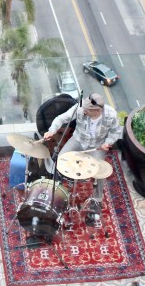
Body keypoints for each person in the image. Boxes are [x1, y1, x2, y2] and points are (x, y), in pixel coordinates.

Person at [42, 93, 122, 225]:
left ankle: (96, 202)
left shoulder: (111, 115)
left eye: (87, 110)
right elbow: (61, 118)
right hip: (78, 140)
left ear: (97, 110)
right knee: (60, 160)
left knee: (99, 173)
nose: (83, 111)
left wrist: (108, 142)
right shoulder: (79, 108)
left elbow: (115, 132)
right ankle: (57, 194)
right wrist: (52, 130)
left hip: (97, 145)